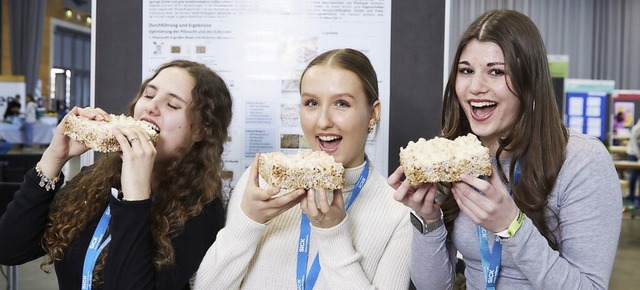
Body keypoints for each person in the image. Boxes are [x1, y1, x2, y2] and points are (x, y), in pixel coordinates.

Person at [388, 10, 621, 290]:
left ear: (529, 81)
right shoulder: (457, 161)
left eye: (496, 71)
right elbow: (434, 286)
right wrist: (428, 220)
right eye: (466, 71)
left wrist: (512, 225)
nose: (475, 87)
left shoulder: (582, 161)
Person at [0, 59, 233, 289]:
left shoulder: (201, 211)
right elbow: (9, 248)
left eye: (172, 105)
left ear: (201, 130)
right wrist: (54, 157)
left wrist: (136, 198)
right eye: (149, 95)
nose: (151, 107)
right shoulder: (94, 180)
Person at [194, 48, 411, 289]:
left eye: (341, 103)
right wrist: (249, 221)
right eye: (311, 103)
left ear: (373, 113)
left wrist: (333, 234)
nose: (323, 121)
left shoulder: (399, 213)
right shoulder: (262, 183)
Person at [626, 118, 640, 207]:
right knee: (633, 176)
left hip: (638, 153)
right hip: (633, 153)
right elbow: (634, 144)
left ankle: (638, 198)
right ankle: (631, 195)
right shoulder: (636, 128)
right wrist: (639, 156)